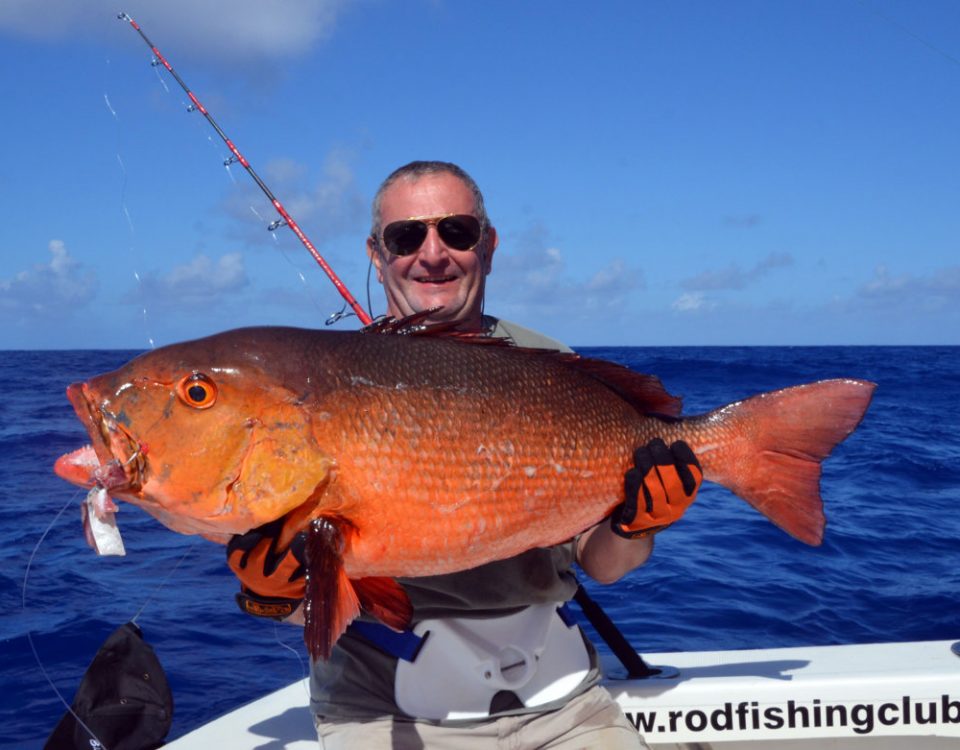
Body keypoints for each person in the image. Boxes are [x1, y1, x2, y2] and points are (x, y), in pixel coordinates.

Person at [227, 161, 702, 749]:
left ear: (489, 244)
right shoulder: (316, 391)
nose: (432, 253)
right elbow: (320, 599)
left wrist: (636, 525)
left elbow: (605, 565)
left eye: (456, 232)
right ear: (377, 254)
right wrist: (275, 599)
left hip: (561, 704)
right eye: (406, 237)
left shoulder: (550, 367)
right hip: (383, 711)